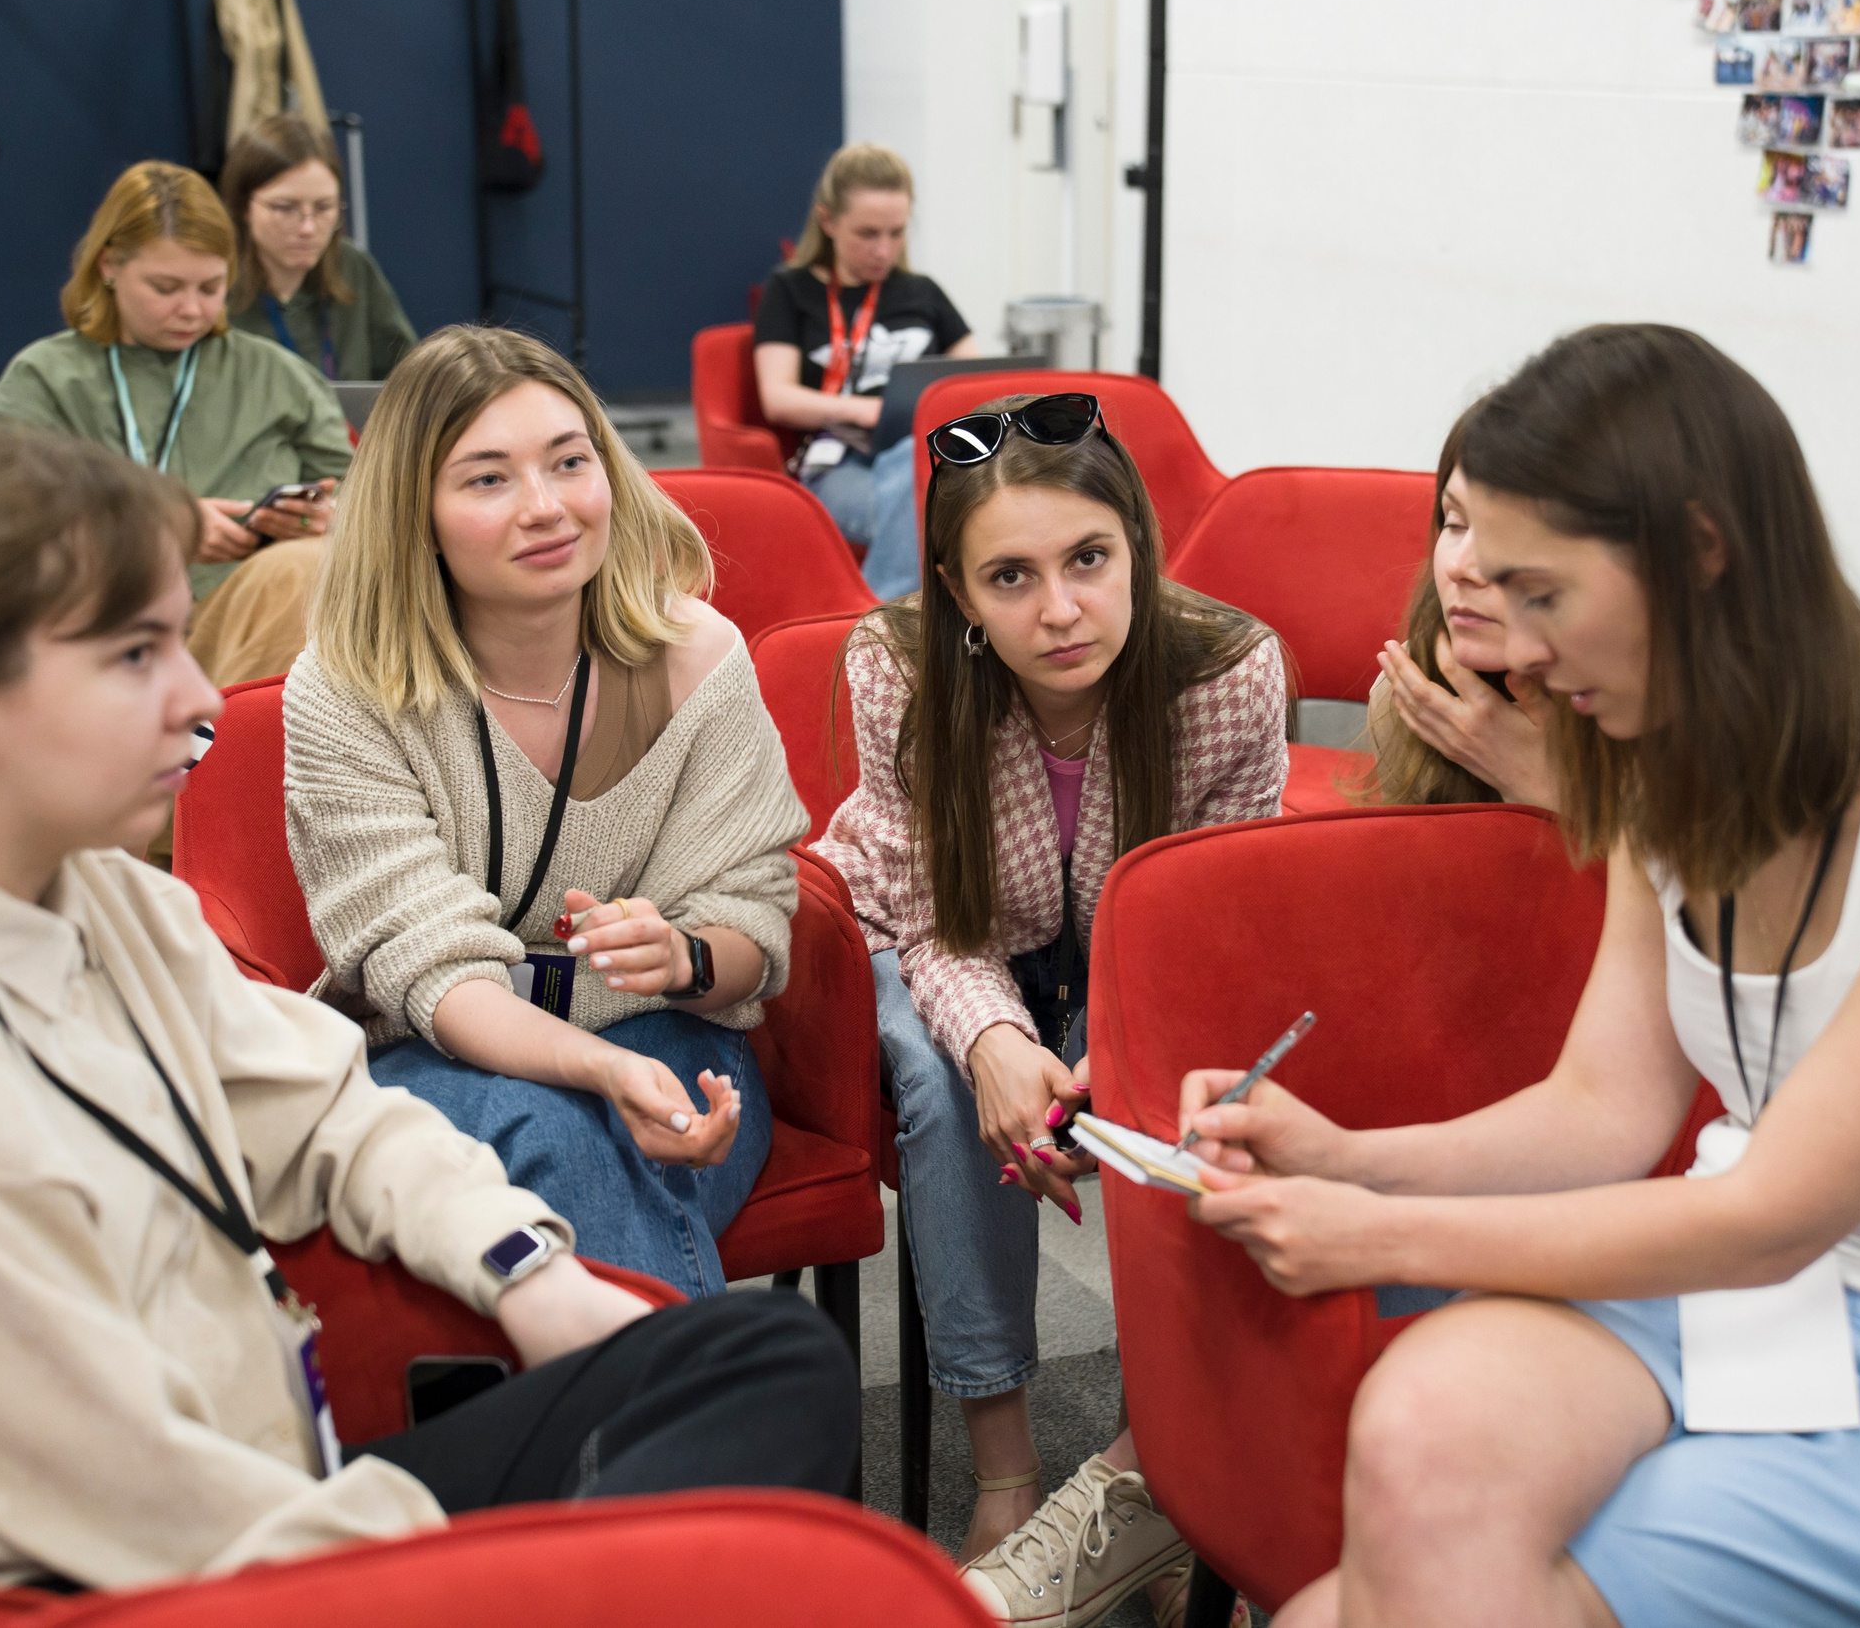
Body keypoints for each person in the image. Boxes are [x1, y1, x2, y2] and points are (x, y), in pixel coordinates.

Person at [0, 424, 856, 1591]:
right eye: (134, 656)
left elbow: (327, 1111)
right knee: (699, 1524)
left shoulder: (103, 899)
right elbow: (117, 1490)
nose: (200, 695)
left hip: (274, 1481)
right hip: (144, 1573)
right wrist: (467, 1571)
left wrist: (532, 1277)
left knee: (757, 1358)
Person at [1177, 325, 1860, 1628]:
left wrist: (1379, 1226)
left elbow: (1774, 1212)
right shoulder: (1656, 750)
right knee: (1424, 1418)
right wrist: (1347, 1155)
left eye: (1542, 591)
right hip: (1748, 1292)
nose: (1507, 635)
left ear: (1698, 555)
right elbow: (1604, 1109)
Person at [815, 393, 1290, 1625]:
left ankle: (1158, 1474)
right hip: (936, 937)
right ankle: (1006, 1467)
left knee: (1193, 1089)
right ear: (960, 598)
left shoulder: (1230, 675)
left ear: (1136, 543)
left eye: (1088, 559)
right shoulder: (895, 672)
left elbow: (1209, 928)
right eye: (1010, 578)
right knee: (934, 1081)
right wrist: (995, 1042)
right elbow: (931, 919)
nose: (1061, 609)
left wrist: (1116, 1046)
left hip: (1139, 952)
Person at [283, 325, 806, 1302]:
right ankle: (691, 1435)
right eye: (487, 480)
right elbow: (432, 973)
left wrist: (686, 954)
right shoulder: (347, 688)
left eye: (570, 462)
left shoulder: (698, 657)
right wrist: (599, 1072)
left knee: (595, 1146)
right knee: (565, 1131)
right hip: (436, 1052)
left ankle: (626, 1436)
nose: (546, 507)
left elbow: (754, 919)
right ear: (416, 513)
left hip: (673, 1039)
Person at [0, 159, 347, 690]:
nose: (192, 309)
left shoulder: (276, 375)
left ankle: (215, 754)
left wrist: (331, 515)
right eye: (167, 286)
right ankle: (203, 754)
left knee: (306, 567)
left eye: (211, 287)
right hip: (104, 609)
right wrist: (158, 523)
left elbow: (368, 492)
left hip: (243, 607)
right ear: (108, 266)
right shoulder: (47, 376)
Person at [753, 142, 983, 601]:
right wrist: (867, 411)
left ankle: (881, 623)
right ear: (828, 222)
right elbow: (777, 397)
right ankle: (899, 621)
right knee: (941, 514)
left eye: (896, 233)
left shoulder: (922, 292)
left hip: (926, 457)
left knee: (914, 462)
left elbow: (977, 379)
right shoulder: (791, 290)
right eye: (868, 233)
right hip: (839, 461)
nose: (884, 250)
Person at [1356, 409, 1556, 808]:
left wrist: (1546, 791)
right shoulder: (1415, 695)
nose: (1458, 566)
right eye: (1455, 523)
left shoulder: (1675, 724)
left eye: (1510, 532)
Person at [220, 114, 418, 383]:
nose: (308, 229)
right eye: (285, 208)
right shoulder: (214, 281)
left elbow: (412, 378)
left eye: (324, 208)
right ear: (243, 206)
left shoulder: (352, 266)